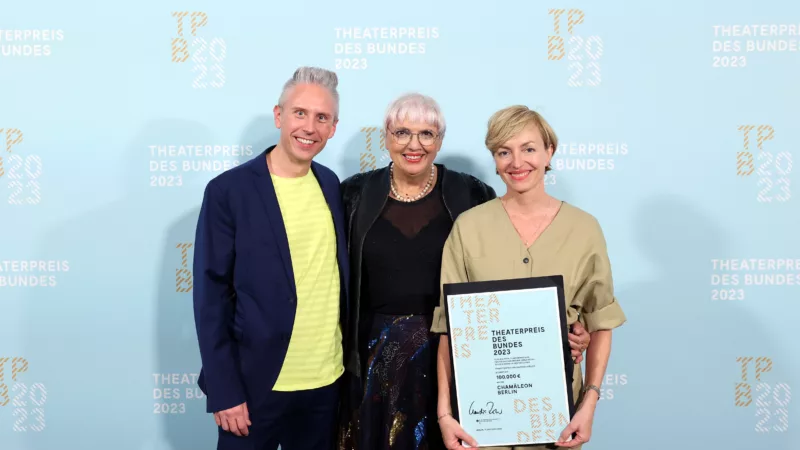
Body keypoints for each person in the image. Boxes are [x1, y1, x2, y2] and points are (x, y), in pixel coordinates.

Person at [337, 94, 592, 450]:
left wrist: (559, 329)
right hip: (377, 357)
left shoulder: (471, 193)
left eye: (427, 133)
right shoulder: (353, 194)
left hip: (463, 353)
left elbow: (508, 275)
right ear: (386, 137)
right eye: (402, 132)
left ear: (440, 140)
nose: (414, 144)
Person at [433, 105, 627, 450]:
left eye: (529, 149)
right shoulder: (468, 227)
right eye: (504, 152)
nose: (517, 162)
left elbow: (600, 322)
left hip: (559, 422)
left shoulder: (584, 229)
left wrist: (590, 404)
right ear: (494, 159)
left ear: (549, 151)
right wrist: (445, 414)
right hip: (481, 426)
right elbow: (450, 329)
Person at [192, 66, 350, 450]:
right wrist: (225, 390)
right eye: (300, 113)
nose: (309, 127)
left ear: (333, 128)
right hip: (254, 386)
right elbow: (210, 298)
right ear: (279, 116)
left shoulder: (330, 184)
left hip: (325, 384)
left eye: (321, 118)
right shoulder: (229, 191)